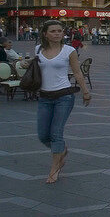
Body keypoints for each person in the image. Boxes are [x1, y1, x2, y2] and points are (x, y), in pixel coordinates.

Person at [34, 19, 91, 184]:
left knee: (56, 133)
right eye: (53, 31)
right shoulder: (38, 49)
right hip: (44, 97)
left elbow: (77, 73)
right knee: (43, 135)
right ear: (45, 33)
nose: (57, 34)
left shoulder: (69, 50)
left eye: (59, 31)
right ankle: (61, 151)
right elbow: (38, 68)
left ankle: (55, 168)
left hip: (64, 96)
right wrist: (26, 63)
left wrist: (85, 92)